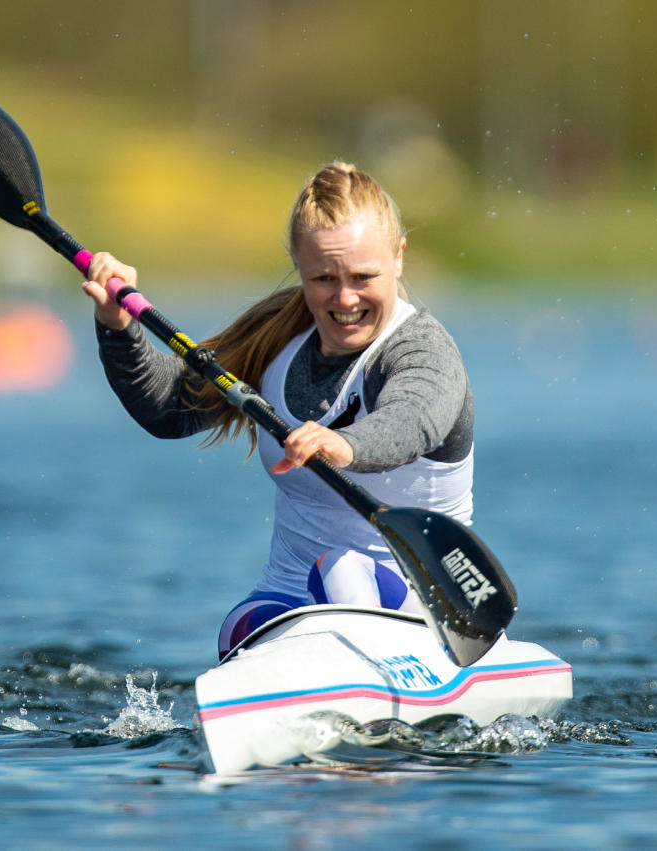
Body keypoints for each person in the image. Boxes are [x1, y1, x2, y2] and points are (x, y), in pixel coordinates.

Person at [80, 162, 475, 660]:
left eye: (363, 276)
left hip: (420, 603)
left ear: (399, 257)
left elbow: (414, 419)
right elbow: (168, 409)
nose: (345, 298)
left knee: (342, 569)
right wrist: (118, 326)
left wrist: (345, 444)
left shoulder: (421, 350)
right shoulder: (277, 333)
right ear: (298, 264)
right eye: (323, 278)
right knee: (236, 633)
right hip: (292, 599)